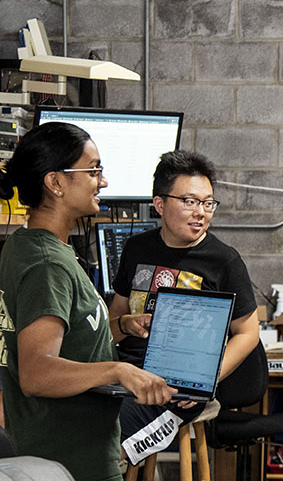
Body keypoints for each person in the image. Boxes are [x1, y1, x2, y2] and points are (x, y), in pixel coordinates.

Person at [0, 122, 175, 481]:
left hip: (74, 451)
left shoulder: (25, 244)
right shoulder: (47, 264)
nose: (104, 181)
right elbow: (38, 372)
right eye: (93, 170)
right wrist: (118, 370)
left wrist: (119, 327)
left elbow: (70, 339)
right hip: (69, 460)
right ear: (56, 183)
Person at [108, 149, 260, 465]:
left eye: (207, 203)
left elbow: (248, 333)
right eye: (189, 201)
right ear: (160, 204)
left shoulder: (224, 261)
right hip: (123, 372)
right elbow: (114, 319)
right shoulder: (137, 248)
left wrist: (206, 379)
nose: (200, 212)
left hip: (176, 386)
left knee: (108, 449)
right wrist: (126, 324)